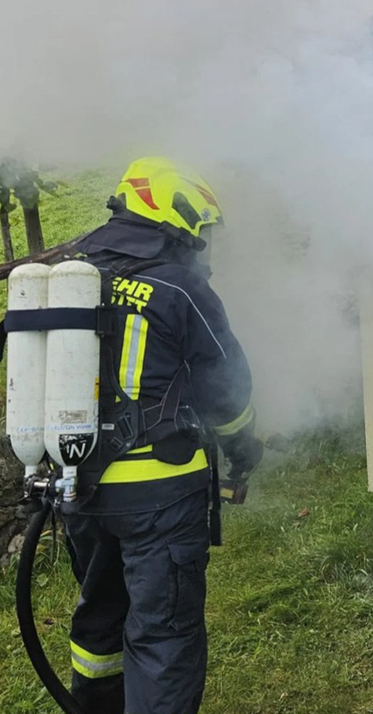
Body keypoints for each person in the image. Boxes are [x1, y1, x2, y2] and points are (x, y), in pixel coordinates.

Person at [63, 156, 262, 714]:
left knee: (99, 622)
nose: (201, 250)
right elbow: (228, 391)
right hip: (160, 495)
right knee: (162, 637)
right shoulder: (179, 289)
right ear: (177, 222)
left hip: (78, 488)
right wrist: (246, 449)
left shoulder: (74, 277)